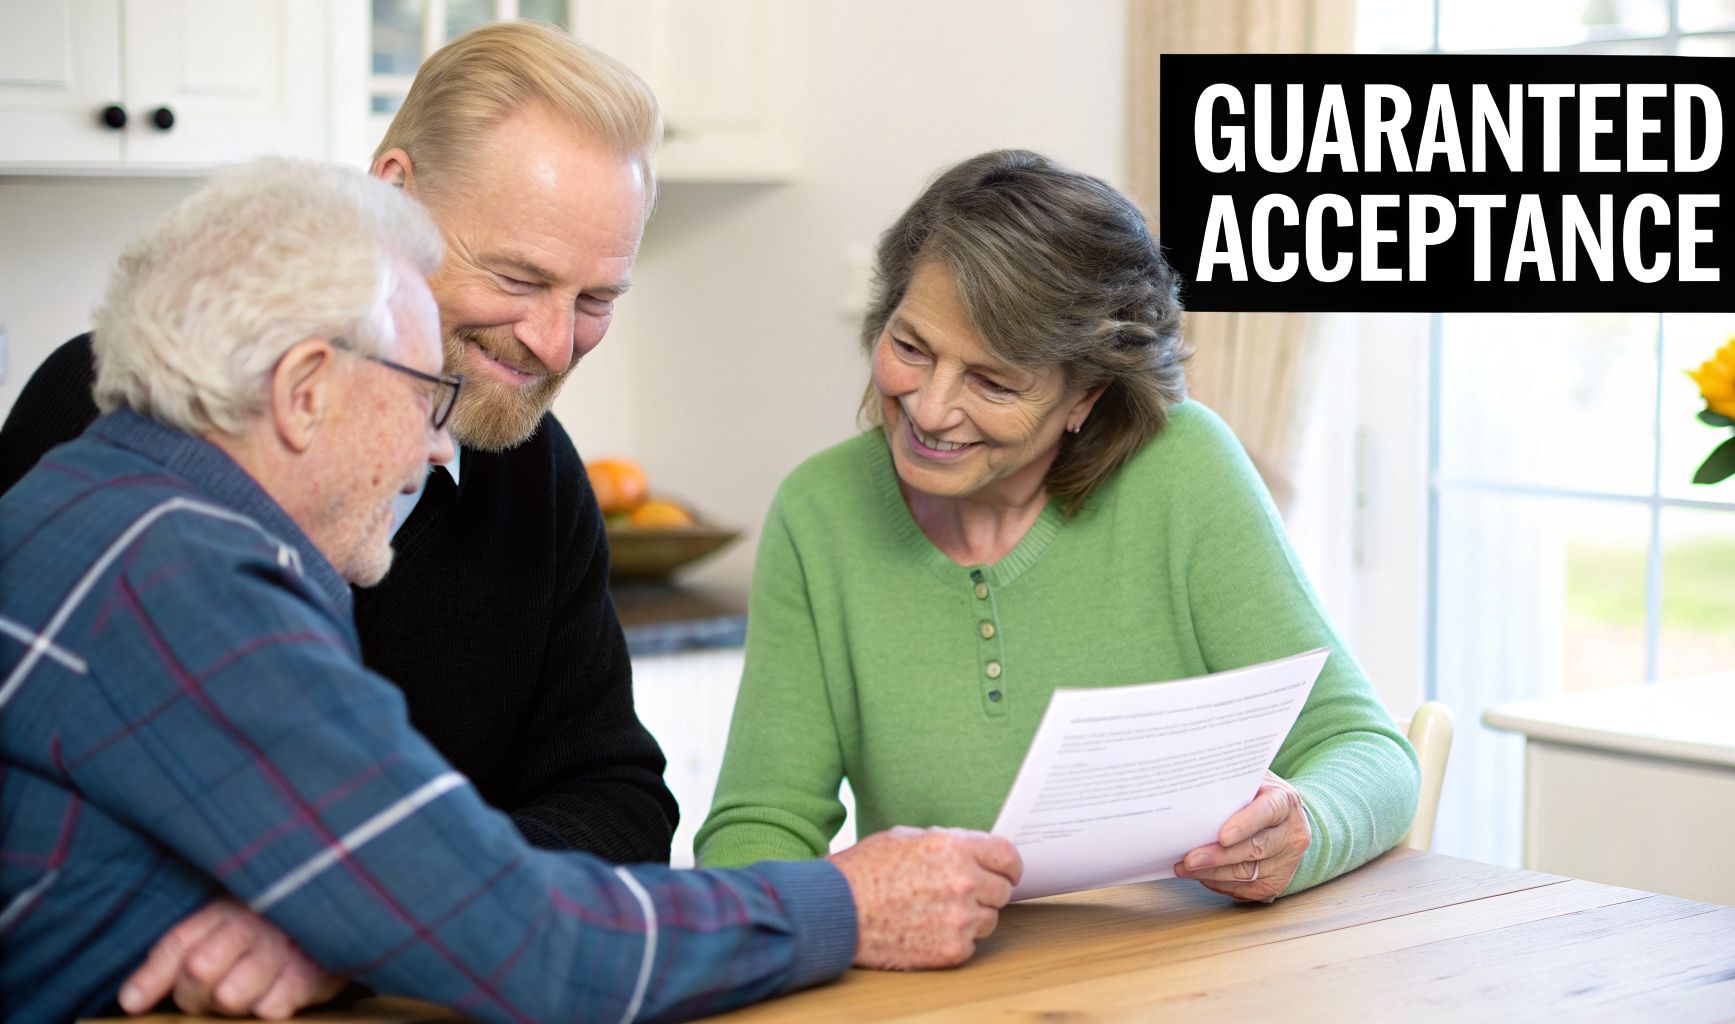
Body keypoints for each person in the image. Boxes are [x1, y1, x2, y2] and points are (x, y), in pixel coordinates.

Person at [0, 159, 1020, 1024]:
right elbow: (529, 942)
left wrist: (360, 920)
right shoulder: (191, 578)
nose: (438, 444)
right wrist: (846, 904)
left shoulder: (89, 497)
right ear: (305, 391)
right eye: (420, 395)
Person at [0, 22, 676, 1014]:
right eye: (519, 279)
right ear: (393, 188)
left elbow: (622, 804)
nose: (553, 341)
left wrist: (374, 925)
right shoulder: (117, 405)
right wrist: (398, 908)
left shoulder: (533, 476)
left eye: (596, 299)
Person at [693, 150, 1420, 902]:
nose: (931, 408)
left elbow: (1367, 752)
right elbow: (759, 825)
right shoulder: (822, 511)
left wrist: (1306, 828)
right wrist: (814, 915)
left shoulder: (1183, 471)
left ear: (1086, 397)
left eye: (994, 381)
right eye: (912, 347)